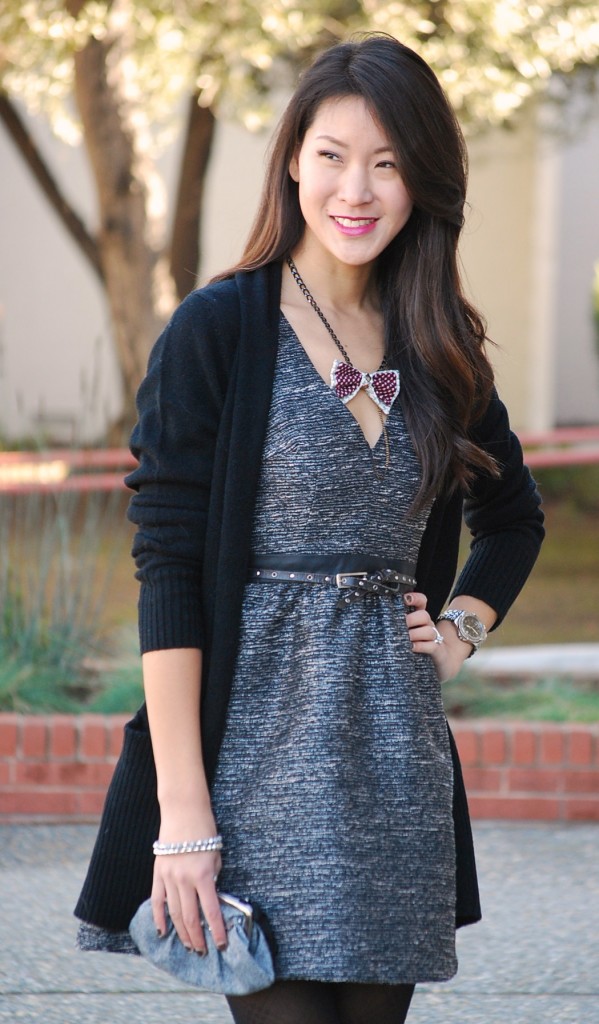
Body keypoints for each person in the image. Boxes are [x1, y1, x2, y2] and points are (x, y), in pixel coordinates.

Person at [75, 33, 544, 1024]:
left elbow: (512, 516)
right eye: (332, 154)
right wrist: (182, 814)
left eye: (387, 162)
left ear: (422, 180)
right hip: (250, 756)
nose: (356, 188)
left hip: (392, 758)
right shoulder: (218, 329)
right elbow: (166, 568)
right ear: (292, 159)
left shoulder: (438, 343)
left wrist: (458, 632)